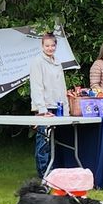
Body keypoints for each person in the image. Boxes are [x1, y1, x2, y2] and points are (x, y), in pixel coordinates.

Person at [27, 30, 69, 177]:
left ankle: (53, 171)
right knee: (43, 141)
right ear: (42, 46)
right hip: (44, 107)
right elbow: (37, 87)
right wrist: (42, 110)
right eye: (47, 46)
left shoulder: (57, 63)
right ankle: (43, 173)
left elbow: (62, 87)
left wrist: (66, 107)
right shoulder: (37, 62)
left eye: (52, 46)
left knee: (54, 141)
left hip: (57, 106)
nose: (50, 48)